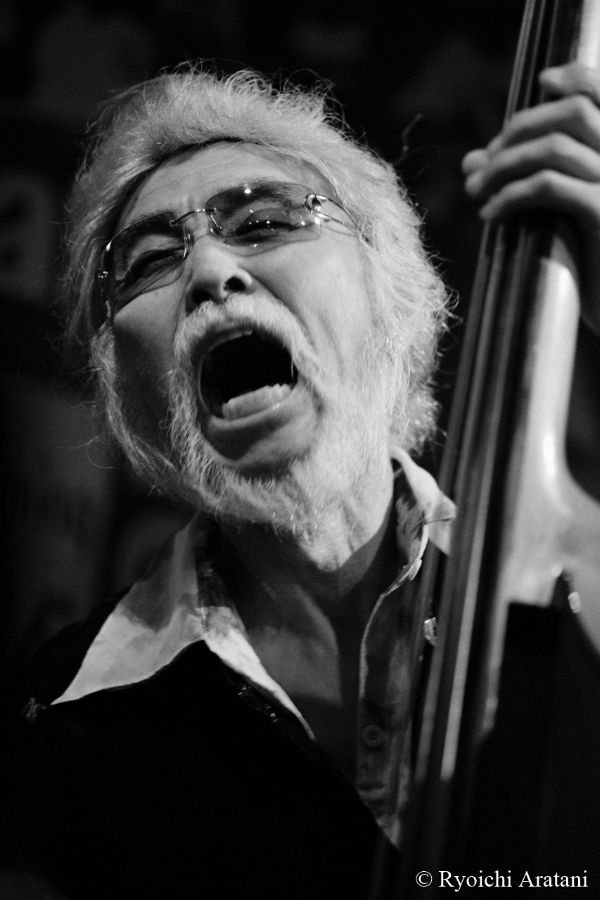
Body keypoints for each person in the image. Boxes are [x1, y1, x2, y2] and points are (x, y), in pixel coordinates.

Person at [1, 58, 600, 900]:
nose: (209, 271)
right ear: (127, 387)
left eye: (263, 221)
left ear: (389, 287)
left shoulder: (583, 592)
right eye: (149, 260)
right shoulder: (49, 737)